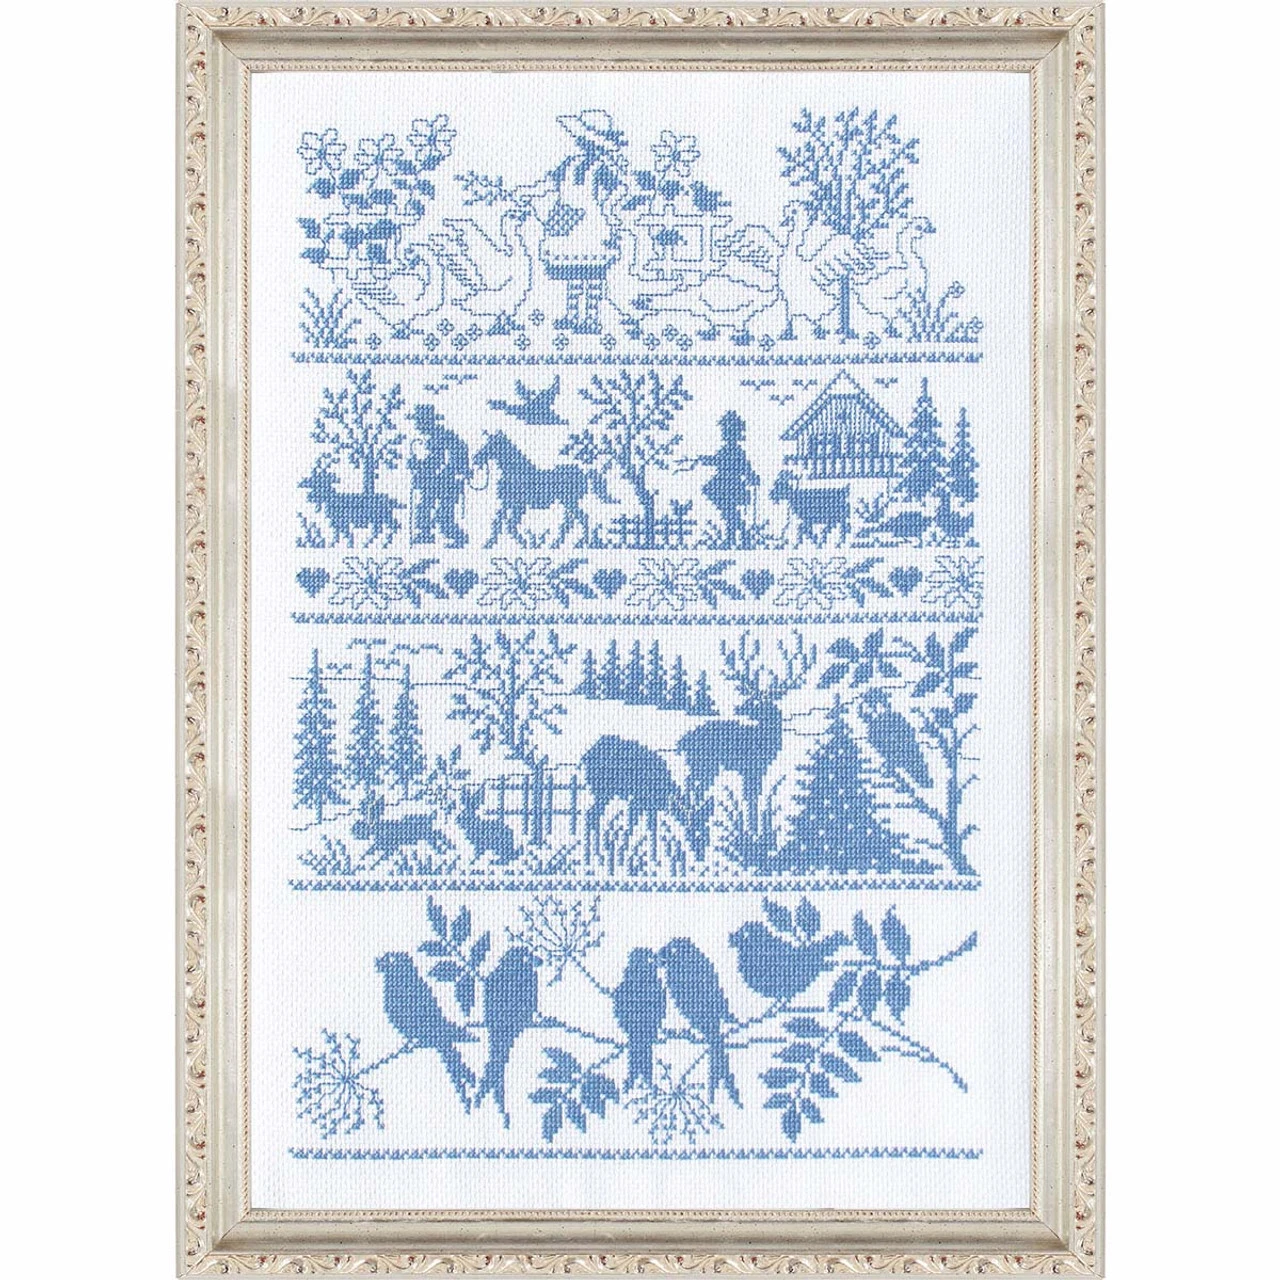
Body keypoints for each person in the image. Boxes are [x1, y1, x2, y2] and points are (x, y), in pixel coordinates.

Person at [520, 110, 629, 335]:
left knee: (593, 275)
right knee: (573, 274)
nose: (580, 141)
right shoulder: (570, 163)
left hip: (592, 226)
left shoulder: (601, 167)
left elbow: (621, 188)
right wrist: (528, 192)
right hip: (567, 221)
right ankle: (572, 315)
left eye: (583, 138)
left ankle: (591, 318)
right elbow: (549, 183)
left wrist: (609, 209)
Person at [406, 403, 470, 547]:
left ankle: (459, 538)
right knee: (424, 507)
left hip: (446, 484)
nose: (416, 425)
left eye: (418, 421)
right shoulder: (436, 437)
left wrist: (417, 465)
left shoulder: (440, 438)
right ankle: (425, 535)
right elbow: (434, 463)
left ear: (426, 422)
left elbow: (435, 463)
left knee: (441, 515)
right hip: (438, 483)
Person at [699, 411, 758, 548]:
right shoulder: (729, 449)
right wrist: (703, 459)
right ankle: (738, 537)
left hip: (729, 485)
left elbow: (740, 465)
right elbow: (718, 460)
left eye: (725, 430)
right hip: (725, 484)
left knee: (729, 513)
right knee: (729, 513)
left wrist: (751, 476)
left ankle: (738, 537)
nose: (723, 433)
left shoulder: (734, 450)